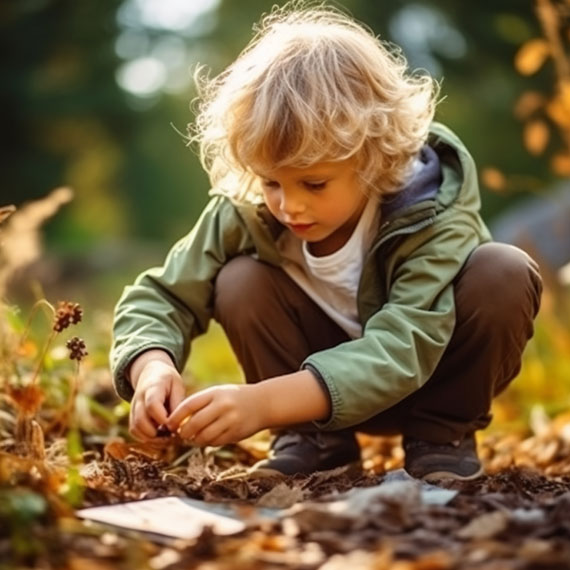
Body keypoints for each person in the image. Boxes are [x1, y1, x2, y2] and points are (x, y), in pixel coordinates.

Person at [111, 2, 542, 481]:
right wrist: (151, 366)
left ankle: (443, 439)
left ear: (374, 157)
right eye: (272, 181)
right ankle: (314, 445)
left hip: (424, 384)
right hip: (309, 403)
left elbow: (402, 349)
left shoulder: (432, 212)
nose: (288, 205)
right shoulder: (249, 207)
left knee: (503, 270)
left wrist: (262, 403)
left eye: (313, 184)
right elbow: (164, 294)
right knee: (239, 279)